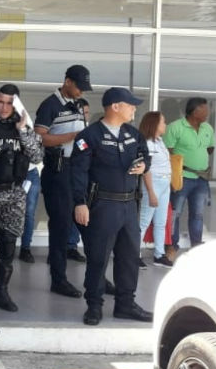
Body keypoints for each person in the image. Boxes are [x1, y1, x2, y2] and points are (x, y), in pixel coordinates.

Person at [71, 87, 152, 326]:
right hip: (103, 205)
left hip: (129, 205)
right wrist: (80, 203)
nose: (134, 109)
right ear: (115, 107)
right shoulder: (90, 136)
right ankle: (94, 306)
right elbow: (78, 173)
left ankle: (126, 304)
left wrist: (144, 166)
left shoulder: (133, 134)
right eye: (130, 105)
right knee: (98, 258)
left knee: (129, 257)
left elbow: (145, 156)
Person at [0, 84, 43, 312]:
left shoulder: (24, 127)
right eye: (1, 102)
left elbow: (36, 156)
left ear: (16, 103)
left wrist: (23, 130)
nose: (4, 107)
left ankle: (0, 292)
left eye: (9, 103)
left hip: (14, 193)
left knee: (8, 244)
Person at [35, 65, 92, 298]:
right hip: (59, 170)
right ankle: (59, 279)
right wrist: (71, 137)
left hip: (79, 169)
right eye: (79, 86)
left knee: (88, 225)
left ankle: (96, 277)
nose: (81, 92)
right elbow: (39, 138)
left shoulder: (79, 106)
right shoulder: (50, 105)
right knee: (60, 226)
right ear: (67, 81)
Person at [164, 97, 215, 250]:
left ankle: (196, 244)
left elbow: (210, 148)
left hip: (201, 179)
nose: (208, 112)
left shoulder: (208, 128)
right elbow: (168, 152)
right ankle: (172, 244)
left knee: (198, 214)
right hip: (182, 177)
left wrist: (197, 154)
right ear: (194, 111)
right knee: (176, 213)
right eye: (205, 109)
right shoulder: (175, 127)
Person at [138, 112, 173, 268]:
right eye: (163, 122)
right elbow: (147, 170)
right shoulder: (148, 143)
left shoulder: (159, 141)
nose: (165, 125)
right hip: (154, 184)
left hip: (165, 183)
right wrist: (151, 192)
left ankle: (159, 255)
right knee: (144, 221)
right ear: (154, 124)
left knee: (161, 222)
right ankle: (134, 254)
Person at [66, 98, 90, 263]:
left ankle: (72, 246)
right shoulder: (71, 127)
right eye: (83, 113)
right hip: (67, 170)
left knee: (79, 211)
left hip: (85, 176)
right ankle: (63, 246)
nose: (85, 116)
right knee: (66, 211)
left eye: (87, 113)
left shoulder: (90, 130)